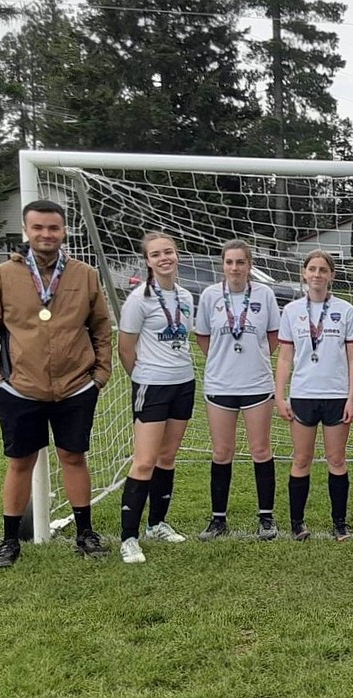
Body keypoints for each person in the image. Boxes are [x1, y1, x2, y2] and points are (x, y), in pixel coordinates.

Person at [0, 199, 113, 569]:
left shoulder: (84, 274)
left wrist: (99, 375)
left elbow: (100, 327)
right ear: (26, 231)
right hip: (20, 389)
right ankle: (8, 542)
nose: (46, 234)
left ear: (64, 231)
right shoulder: (2, 275)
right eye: (38, 228)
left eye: (53, 228)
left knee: (73, 456)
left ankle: (85, 534)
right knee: (20, 462)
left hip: (75, 387)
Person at [116, 232, 195, 563]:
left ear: (177, 256)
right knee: (145, 460)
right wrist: (143, 377)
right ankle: (128, 538)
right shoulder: (138, 299)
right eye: (156, 254)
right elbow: (125, 347)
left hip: (184, 382)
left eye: (169, 252)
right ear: (147, 261)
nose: (165, 258)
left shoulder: (187, 296)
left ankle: (157, 523)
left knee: (167, 458)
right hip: (152, 385)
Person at [194, 240, 281, 541]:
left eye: (240, 262)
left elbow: (273, 336)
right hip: (220, 383)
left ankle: (266, 518)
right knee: (222, 451)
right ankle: (218, 520)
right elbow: (203, 337)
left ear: (249, 265)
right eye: (229, 262)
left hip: (257, 383)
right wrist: (223, 361)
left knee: (260, 449)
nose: (235, 268)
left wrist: (253, 360)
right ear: (223, 265)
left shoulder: (264, 294)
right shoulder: (209, 296)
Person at [274, 250, 353, 542]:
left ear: (332, 275)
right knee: (302, 459)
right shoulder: (292, 311)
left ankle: (340, 524)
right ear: (304, 273)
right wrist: (279, 395)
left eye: (323, 270)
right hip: (303, 395)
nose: (317, 274)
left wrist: (351, 398)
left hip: (336, 396)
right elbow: (285, 357)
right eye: (312, 269)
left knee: (337, 459)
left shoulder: (346, 310)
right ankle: (297, 523)